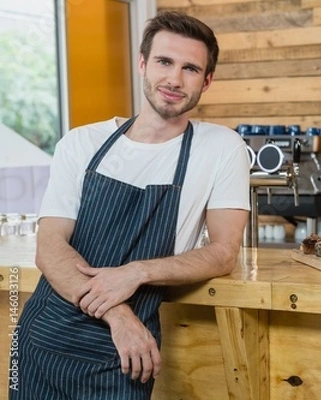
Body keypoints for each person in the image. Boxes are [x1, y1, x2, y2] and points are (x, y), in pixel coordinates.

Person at [10, 11, 250, 399]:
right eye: (164, 62)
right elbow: (50, 247)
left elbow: (224, 253)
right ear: (142, 63)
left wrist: (136, 272)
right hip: (44, 338)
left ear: (207, 81)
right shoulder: (81, 143)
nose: (174, 79)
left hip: (123, 358)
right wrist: (117, 314)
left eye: (190, 68)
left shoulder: (221, 148)